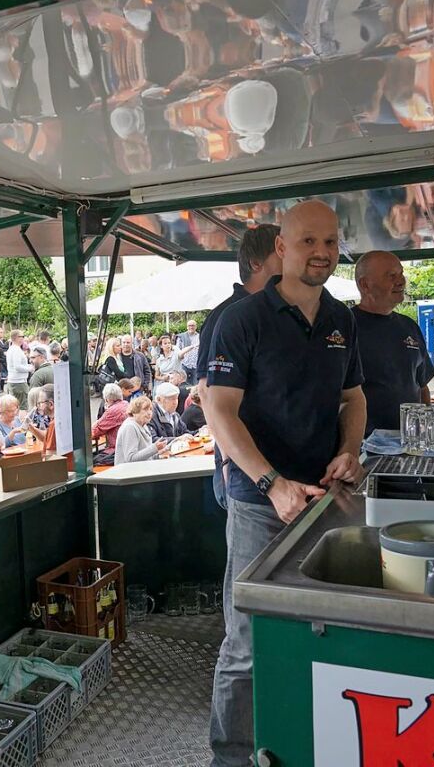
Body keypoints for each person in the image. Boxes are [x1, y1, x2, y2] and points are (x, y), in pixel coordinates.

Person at [205, 200, 365, 767]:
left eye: (330, 242)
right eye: (307, 242)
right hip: (258, 503)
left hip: (323, 502)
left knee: (318, 630)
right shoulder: (242, 319)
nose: (321, 252)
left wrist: (349, 451)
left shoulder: (341, 319)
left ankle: (300, 744)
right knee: (246, 645)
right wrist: (272, 483)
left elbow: (354, 398)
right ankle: (230, 758)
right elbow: (218, 410)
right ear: (282, 247)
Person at [197, 225, 283, 510]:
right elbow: (207, 394)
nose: (291, 258)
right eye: (281, 252)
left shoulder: (286, 311)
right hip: (246, 476)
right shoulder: (226, 317)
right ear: (256, 263)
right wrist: (225, 461)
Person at [352, 250, 434, 435]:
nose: (401, 281)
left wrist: (427, 430)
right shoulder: (346, 326)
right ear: (364, 285)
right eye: (391, 276)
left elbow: (422, 386)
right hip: (364, 446)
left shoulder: (409, 326)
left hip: (410, 441)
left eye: (401, 273)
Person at [114, 397, 169, 465]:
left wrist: (159, 453)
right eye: (145, 409)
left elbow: (145, 456)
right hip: (129, 473)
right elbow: (130, 458)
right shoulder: (130, 427)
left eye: (150, 409)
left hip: (142, 469)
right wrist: (154, 448)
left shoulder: (144, 425)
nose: (149, 413)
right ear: (135, 411)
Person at [92, 383, 129, 465]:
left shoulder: (113, 411)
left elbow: (94, 431)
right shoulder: (126, 404)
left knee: (90, 462)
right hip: (126, 448)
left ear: (107, 399)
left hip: (118, 450)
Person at [4, 330, 32, 407]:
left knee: (14, 406)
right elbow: (17, 367)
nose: (23, 338)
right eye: (22, 336)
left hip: (13, 380)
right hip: (19, 382)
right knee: (23, 406)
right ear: (16, 338)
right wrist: (30, 368)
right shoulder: (16, 350)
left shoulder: (11, 349)